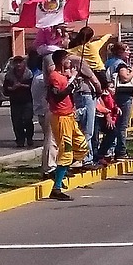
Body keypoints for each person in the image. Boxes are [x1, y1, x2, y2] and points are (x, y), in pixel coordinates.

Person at [45, 50, 91, 201]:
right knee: (66, 151)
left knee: (82, 146)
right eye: (66, 59)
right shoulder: (54, 77)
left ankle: (61, 170)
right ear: (60, 61)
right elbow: (56, 96)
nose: (69, 61)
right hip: (61, 118)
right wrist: (70, 87)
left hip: (70, 116)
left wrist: (73, 84)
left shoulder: (64, 76)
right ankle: (56, 187)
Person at [2, 56, 34, 147]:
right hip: (15, 101)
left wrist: (22, 85)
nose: (18, 64)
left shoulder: (29, 74)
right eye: (16, 63)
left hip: (27, 100)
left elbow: (32, 86)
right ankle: (20, 140)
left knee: (27, 119)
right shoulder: (9, 75)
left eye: (20, 62)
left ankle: (29, 138)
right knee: (17, 121)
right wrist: (12, 88)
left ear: (24, 63)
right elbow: (5, 89)